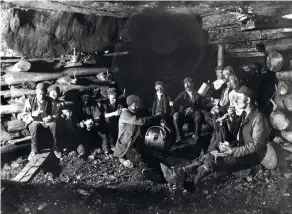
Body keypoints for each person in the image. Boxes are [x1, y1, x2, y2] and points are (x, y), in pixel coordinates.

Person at [160, 85, 271, 187]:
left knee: (212, 159)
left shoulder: (258, 118)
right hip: (239, 149)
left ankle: (189, 181)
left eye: (239, 98)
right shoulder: (244, 114)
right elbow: (234, 133)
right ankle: (181, 174)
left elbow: (256, 145)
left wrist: (232, 151)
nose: (236, 100)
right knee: (207, 156)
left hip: (249, 157)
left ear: (248, 100)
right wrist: (230, 120)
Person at [113, 94, 164, 181]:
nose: (140, 102)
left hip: (136, 142)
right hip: (126, 145)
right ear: (133, 105)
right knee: (137, 157)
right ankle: (145, 172)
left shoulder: (135, 112)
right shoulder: (125, 114)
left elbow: (147, 117)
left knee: (152, 155)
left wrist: (161, 119)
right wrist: (157, 116)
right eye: (137, 102)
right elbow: (141, 121)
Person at [20, 83, 62, 161]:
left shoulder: (50, 100)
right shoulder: (30, 101)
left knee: (54, 125)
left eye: (43, 94)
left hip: (47, 122)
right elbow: (24, 116)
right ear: (36, 92)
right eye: (39, 93)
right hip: (35, 121)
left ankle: (56, 148)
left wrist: (51, 117)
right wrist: (32, 114)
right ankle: (34, 150)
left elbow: (56, 113)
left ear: (46, 93)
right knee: (33, 126)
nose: (41, 96)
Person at [173, 78, 202, 143]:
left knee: (198, 115)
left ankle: (197, 136)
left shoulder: (197, 94)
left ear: (192, 84)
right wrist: (184, 110)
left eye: (188, 83)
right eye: (185, 84)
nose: (187, 85)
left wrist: (193, 109)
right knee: (175, 115)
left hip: (194, 114)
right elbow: (176, 106)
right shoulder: (181, 94)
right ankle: (179, 137)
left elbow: (201, 105)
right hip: (184, 115)